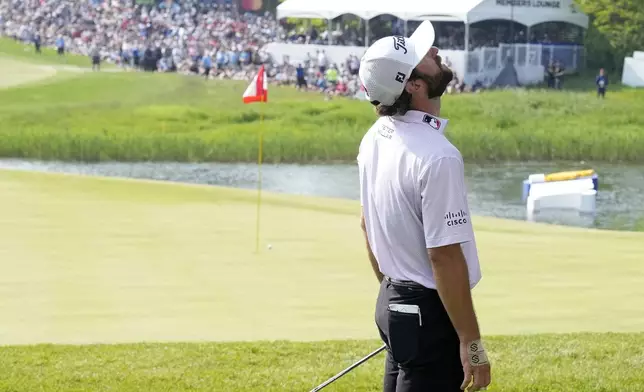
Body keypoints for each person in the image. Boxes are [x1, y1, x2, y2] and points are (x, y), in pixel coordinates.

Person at [357, 21, 491, 392]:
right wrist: (472, 343)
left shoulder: (375, 138)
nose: (434, 51)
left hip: (393, 302)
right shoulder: (439, 157)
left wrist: (394, 296)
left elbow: (366, 225)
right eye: (424, 55)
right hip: (428, 316)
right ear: (414, 85)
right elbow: (444, 257)